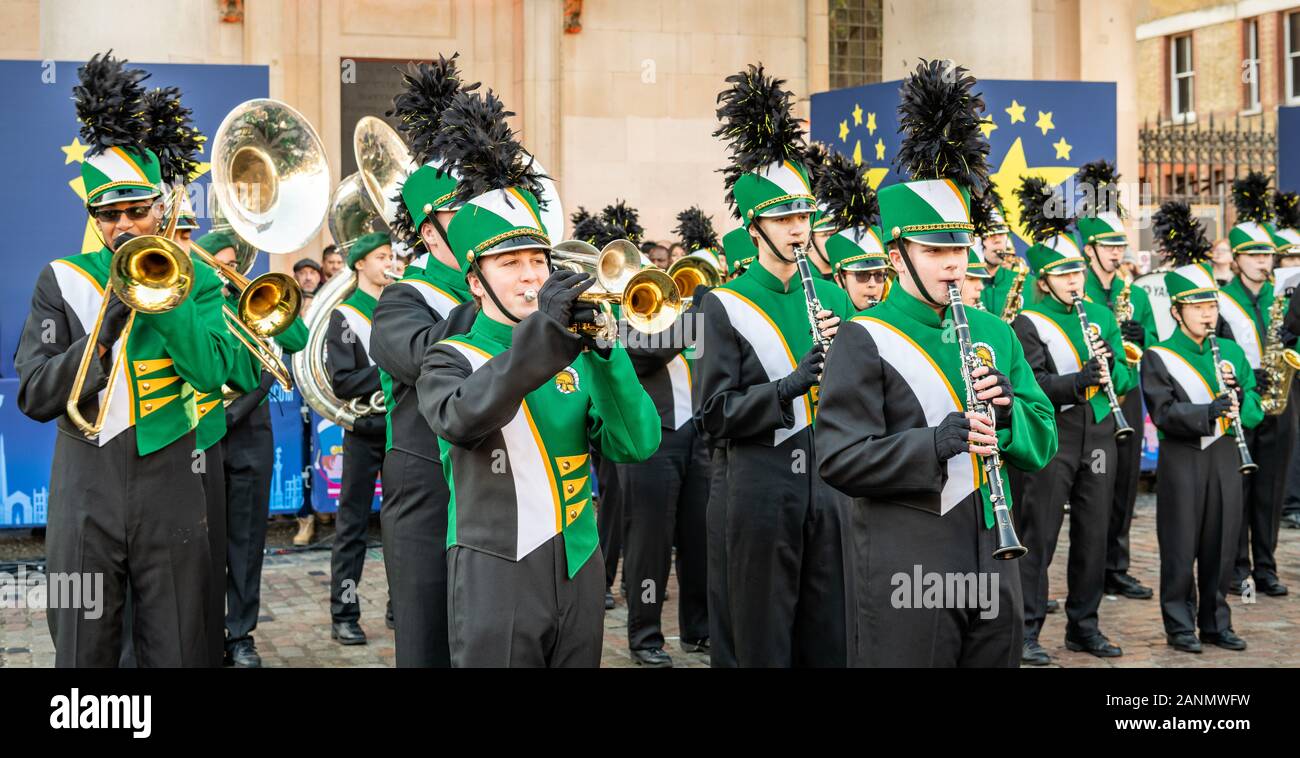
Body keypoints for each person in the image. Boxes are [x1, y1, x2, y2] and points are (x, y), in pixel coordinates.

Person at [817, 59, 1057, 667]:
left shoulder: (994, 331)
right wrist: (936, 442)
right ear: (897, 256)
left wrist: (1007, 418)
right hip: (907, 557)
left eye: (959, 247)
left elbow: (1043, 434)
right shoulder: (863, 337)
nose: (954, 263)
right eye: (935, 250)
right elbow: (839, 459)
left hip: (993, 552)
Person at [417, 89, 661, 667]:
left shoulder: (574, 352)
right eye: (510, 264)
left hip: (580, 563)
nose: (531, 277)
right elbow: (465, 418)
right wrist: (549, 337)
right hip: (496, 568)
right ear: (476, 281)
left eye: (538, 261)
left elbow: (637, 443)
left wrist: (605, 351)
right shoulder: (449, 356)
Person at [16, 53, 237, 666]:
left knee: (182, 648)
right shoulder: (60, 280)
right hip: (85, 488)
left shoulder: (196, 279)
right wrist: (108, 325)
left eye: (136, 210)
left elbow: (214, 374)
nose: (123, 225)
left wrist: (162, 302)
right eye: (107, 214)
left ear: (162, 207)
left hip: (173, 481)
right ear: (92, 217)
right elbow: (35, 396)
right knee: (83, 653)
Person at [697, 64, 856, 667]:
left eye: (804, 216)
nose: (799, 229)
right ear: (755, 225)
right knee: (759, 632)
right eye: (786, 219)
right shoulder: (724, 303)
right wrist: (790, 386)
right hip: (758, 485)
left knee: (828, 631)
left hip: (830, 479)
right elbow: (714, 416)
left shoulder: (835, 298)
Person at [369, 56, 479, 668]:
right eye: (465, 214)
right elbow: (422, 355)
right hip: (427, 492)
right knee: (428, 644)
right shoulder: (401, 299)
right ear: (431, 234)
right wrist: (493, 307)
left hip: (499, 487)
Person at [1008, 175, 1135, 665]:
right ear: (1044, 280)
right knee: (1039, 534)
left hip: (1100, 434)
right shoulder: (1028, 322)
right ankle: (1026, 629)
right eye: (1063, 275)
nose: (1074, 282)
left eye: (1077, 273)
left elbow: (1122, 374)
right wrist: (1080, 379)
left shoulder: (1100, 317)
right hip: (1053, 439)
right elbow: (1034, 385)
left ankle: (1085, 626)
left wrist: (1110, 369)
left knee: (1093, 531)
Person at [1141, 220, 1262, 653]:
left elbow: (1254, 409)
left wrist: (1240, 399)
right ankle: (1179, 625)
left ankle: (1216, 622)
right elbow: (1164, 413)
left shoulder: (1230, 352)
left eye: (1211, 305)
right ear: (1176, 310)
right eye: (1196, 306)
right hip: (1183, 459)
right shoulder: (1159, 355)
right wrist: (1209, 411)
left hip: (1227, 456)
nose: (1207, 313)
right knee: (1179, 545)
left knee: (1222, 543)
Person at [613, 206, 719, 667]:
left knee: (699, 538)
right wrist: (684, 315)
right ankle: (645, 636)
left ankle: (699, 629)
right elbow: (642, 355)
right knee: (650, 542)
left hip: (697, 433)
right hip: (652, 439)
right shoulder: (621, 312)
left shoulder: (686, 313)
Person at [1075, 160, 1158, 602]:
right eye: (1106, 245)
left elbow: (1156, 346)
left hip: (1125, 395)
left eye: (1119, 244)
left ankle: (1116, 566)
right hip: (1088, 401)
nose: (1115, 252)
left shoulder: (1136, 293)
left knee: (1124, 484)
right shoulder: (1075, 289)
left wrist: (1140, 339)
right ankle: (1087, 573)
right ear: (1088, 249)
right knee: (1092, 493)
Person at [1221, 173, 1292, 598]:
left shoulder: (1282, 296)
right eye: (1255, 255)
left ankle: (1266, 566)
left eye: (1268, 254)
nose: (1264, 262)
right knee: (1239, 490)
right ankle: (1237, 567)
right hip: (1240, 402)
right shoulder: (1220, 298)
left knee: (1271, 490)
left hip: (1281, 405)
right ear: (1237, 260)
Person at [326, 232, 394, 645]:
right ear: (360, 264)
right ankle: (344, 614)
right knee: (352, 525)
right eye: (382, 256)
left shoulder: (402, 305)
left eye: (391, 255)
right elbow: (343, 381)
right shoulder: (345, 316)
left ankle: (400, 605)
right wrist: (392, 369)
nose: (390, 261)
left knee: (402, 525)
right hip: (363, 432)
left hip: (400, 432)